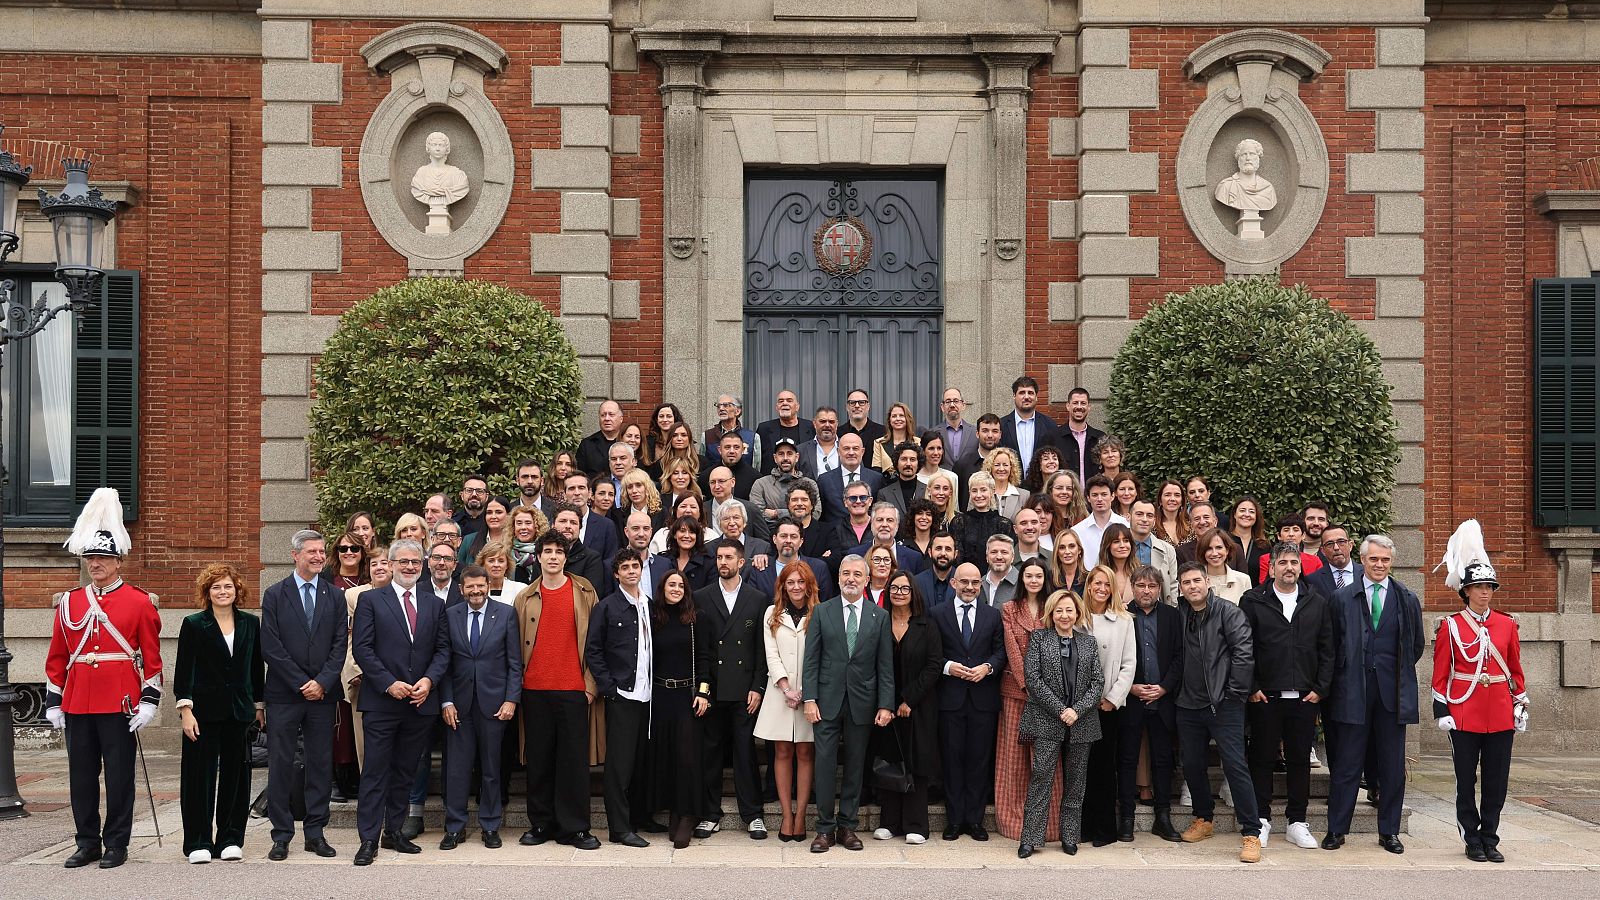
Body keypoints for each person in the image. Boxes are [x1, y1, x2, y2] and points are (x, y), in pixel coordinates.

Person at [350, 539, 451, 866]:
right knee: (376, 772)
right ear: (390, 564)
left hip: (420, 703)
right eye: (403, 562)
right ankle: (368, 838)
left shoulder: (434, 604)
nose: (410, 567)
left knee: (405, 772)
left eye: (415, 563)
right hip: (382, 702)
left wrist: (429, 681)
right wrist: (388, 683)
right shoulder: (370, 600)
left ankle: (394, 831)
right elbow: (362, 649)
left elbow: (443, 650)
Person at [1432, 520, 1528, 864]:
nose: (1485, 592)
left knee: (1496, 781)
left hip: (1500, 712)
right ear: (1466, 591)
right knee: (1464, 781)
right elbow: (1440, 673)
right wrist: (1441, 710)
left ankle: (1490, 836)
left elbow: (1515, 670)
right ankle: (1470, 837)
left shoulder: (1507, 623)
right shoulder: (1450, 626)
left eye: (1489, 587)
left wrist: (1520, 702)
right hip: (1463, 711)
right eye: (1479, 587)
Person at [1323, 534, 1424, 854]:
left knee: (1392, 766)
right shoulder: (1342, 598)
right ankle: (1337, 830)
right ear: (1362, 560)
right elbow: (1331, 646)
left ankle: (1389, 831)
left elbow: (1415, 646)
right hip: (1353, 692)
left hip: (1392, 696)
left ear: (1391, 562)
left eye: (1385, 560)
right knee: (1346, 765)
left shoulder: (1406, 598)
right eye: (1373, 559)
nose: (1379, 565)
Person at [1240, 543, 1335, 851]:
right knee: (1262, 758)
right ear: (1272, 567)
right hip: (1265, 696)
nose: (1289, 567)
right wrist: (1251, 686)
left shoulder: (1316, 602)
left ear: (1300, 566)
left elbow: (1327, 649)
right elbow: (1244, 648)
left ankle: (1297, 821)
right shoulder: (1253, 601)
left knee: (1299, 760)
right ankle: (1261, 820)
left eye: (1294, 562)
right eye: (1283, 562)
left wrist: (1320, 688)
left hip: (1304, 697)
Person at [259, 529, 347, 863]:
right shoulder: (275, 595)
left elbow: (340, 644)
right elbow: (272, 647)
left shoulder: (334, 595)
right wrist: (301, 682)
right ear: (295, 555)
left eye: (321, 551)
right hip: (285, 694)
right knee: (280, 763)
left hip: (323, 697)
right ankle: (281, 835)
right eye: (311, 551)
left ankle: (315, 833)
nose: (318, 556)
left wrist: (322, 681)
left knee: (320, 764)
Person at [514, 530, 603, 852]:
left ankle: (575, 828)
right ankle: (541, 823)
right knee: (539, 761)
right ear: (537, 557)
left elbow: (595, 643)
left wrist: (591, 686)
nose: (553, 556)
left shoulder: (584, 591)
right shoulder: (524, 597)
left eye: (558, 551)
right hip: (534, 688)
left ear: (566, 557)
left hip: (573, 689)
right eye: (547, 551)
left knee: (573, 763)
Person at [802, 555, 895, 852]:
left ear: (867, 580)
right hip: (826, 701)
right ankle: (825, 830)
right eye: (846, 573)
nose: (851, 578)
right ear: (839, 577)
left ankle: (848, 827)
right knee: (826, 765)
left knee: (855, 766)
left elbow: (885, 665)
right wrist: (810, 698)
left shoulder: (879, 616)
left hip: (863, 702)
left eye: (857, 574)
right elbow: (811, 659)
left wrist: (885, 704)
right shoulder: (822, 611)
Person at [175, 564, 264, 864]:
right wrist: (186, 710)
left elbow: (255, 669)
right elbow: (184, 671)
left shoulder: (251, 624)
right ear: (207, 592)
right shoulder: (194, 624)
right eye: (216, 587)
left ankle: (230, 838)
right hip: (202, 712)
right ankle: (198, 840)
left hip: (239, 711)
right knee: (198, 778)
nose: (223, 592)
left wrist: (259, 706)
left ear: (237, 589)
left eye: (228, 586)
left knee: (235, 778)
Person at [1173, 562, 1261, 863]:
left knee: (1235, 766)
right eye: (1186, 582)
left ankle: (1251, 832)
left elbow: (1243, 653)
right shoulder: (1180, 613)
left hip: (1223, 704)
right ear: (1180, 587)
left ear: (1207, 581)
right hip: (1187, 704)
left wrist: (1234, 696)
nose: (1192, 586)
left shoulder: (1228, 612)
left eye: (1197, 580)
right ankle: (1203, 819)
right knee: (1193, 765)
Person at [438, 566, 522, 851]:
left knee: (491, 769)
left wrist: (511, 699)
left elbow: (514, 662)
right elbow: (444, 664)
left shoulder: (506, 614)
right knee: (457, 770)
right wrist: (446, 701)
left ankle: (489, 825)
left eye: (480, 586)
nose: (475, 591)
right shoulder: (450, 615)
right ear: (461, 589)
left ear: (489, 585)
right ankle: (454, 827)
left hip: (495, 704)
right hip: (458, 706)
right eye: (470, 587)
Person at [692, 539, 771, 839]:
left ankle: (753, 814)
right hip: (712, 689)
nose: (723, 562)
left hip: (744, 691)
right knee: (710, 753)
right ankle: (710, 813)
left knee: (744, 752)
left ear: (742, 562)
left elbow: (760, 650)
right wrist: (702, 689)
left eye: (729, 557)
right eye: (719, 557)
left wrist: (758, 687)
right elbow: (700, 649)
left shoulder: (757, 598)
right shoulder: (701, 597)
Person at [1017, 590, 1103, 858]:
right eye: (1059, 611)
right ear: (1051, 614)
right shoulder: (1039, 639)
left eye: (1069, 610)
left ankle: (1069, 836)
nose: (1064, 615)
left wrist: (1076, 711)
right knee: (1041, 778)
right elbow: (1033, 679)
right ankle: (1030, 839)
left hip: (1082, 722)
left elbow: (1097, 682)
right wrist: (1060, 710)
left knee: (1076, 783)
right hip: (1046, 720)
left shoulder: (1089, 643)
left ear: (1077, 613)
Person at [585, 549, 657, 848]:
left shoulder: (650, 606)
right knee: (619, 766)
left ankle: (640, 817)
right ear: (616, 574)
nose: (631, 571)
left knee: (642, 762)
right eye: (624, 567)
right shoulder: (607, 607)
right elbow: (593, 651)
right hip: (623, 695)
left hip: (649, 696)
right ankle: (619, 827)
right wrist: (609, 688)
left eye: (635, 566)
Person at [932, 562, 1006, 841]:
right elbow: (931, 653)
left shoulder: (992, 615)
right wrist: (947, 666)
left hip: (982, 699)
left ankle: (974, 821)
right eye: (964, 582)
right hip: (950, 699)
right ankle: (954, 820)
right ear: (953, 583)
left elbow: (1001, 651)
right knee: (952, 761)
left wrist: (988, 667)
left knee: (978, 760)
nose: (970, 587)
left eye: (975, 583)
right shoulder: (937, 614)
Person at [872, 571, 944, 845]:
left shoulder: (927, 625)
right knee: (889, 760)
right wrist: (888, 704)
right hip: (885, 707)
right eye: (894, 588)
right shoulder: (879, 621)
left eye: (905, 588)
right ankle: (889, 822)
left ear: (914, 593)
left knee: (917, 762)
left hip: (919, 706)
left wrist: (908, 700)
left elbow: (934, 665)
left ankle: (916, 824)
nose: (899, 593)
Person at [756, 562, 819, 842]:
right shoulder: (772, 613)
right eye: (790, 582)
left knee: (806, 754)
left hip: (810, 696)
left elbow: (820, 655)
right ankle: (786, 815)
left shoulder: (819, 612)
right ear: (782, 585)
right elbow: (771, 654)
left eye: (800, 582)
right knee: (781, 753)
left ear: (809, 585)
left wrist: (805, 691)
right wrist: (785, 687)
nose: (796, 587)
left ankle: (802, 814)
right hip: (780, 694)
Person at [647, 569, 709, 848]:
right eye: (671, 584)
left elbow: (706, 658)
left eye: (681, 585)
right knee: (667, 756)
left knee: (687, 757)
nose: (676, 589)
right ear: (663, 588)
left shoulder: (697, 619)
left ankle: (688, 814)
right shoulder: (654, 618)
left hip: (688, 696)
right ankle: (673, 809)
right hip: (660, 695)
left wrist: (704, 693)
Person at [1120, 566, 1183, 842]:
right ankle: (1126, 817)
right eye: (1142, 585)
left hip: (1163, 699)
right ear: (1132, 587)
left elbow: (1180, 656)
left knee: (1162, 759)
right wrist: (1129, 686)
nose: (1147, 590)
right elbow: (1114, 657)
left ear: (1160, 589)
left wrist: (1165, 687)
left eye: (1152, 586)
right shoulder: (1121, 616)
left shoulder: (1172, 616)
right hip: (1130, 698)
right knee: (1127, 759)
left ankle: (1163, 816)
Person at [996, 560, 1056, 843]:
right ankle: (1013, 823)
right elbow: (1011, 649)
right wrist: (1028, 685)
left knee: (1046, 761)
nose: (1034, 580)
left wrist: (1043, 690)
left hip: (1050, 697)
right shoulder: (1010, 608)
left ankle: (1049, 824)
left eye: (1039, 575)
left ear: (1046, 579)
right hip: (1015, 693)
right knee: (1015, 760)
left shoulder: (1054, 606)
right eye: (1029, 575)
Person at [1079, 564, 1138, 847]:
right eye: (1096, 583)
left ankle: (1104, 830)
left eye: (1107, 584)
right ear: (1089, 585)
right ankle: (1081, 828)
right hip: (1077, 708)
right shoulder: (1076, 617)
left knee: (1103, 768)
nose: (1101, 588)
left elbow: (1129, 664)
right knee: (1079, 768)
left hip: (1106, 706)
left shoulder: (1125, 620)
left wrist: (1113, 698)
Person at [999, 376, 1061, 479]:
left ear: (1036, 397)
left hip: (1041, 487)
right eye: (1022, 393)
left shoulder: (1049, 425)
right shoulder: (1002, 425)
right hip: (1011, 485)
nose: (1026, 397)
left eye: (1030, 393)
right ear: (1014, 396)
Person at [749, 437, 819, 528]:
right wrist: (799, 513)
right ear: (775, 458)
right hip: (769, 536)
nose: (785, 458)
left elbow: (816, 513)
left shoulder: (810, 484)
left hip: (804, 534)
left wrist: (776, 513)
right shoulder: (761, 484)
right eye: (781, 454)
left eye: (789, 454)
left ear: (797, 457)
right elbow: (757, 515)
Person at [950, 472, 1014, 567]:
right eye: (974, 491)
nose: (979, 495)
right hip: (966, 577)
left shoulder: (1004, 524)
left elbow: (1007, 557)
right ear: (969, 493)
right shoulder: (959, 521)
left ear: (992, 492)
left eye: (983, 490)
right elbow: (956, 556)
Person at [817, 432, 883, 524]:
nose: (851, 453)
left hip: (866, 535)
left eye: (855, 448)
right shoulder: (824, 480)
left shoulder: (876, 479)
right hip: (834, 535)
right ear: (838, 452)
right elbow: (822, 515)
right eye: (846, 448)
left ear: (862, 452)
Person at [1072, 475, 1129, 572]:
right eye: (1095, 495)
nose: (1099, 499)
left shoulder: (1126, 526)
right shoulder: (1077, 531)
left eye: (1104, 494)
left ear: (1112, 496)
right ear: (1088, 498)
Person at [1128, 499, 1179, 605]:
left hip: (1157, 612)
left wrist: (1173, 613)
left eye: (1149, 515)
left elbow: (1173, 585)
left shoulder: (1167, 550)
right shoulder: (1115, 546)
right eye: (1139, 514)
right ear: (1129, 517)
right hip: (1123, 612)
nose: (1144, 519)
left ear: (1154, 521)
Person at [756, 390, 816, 464]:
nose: (784, 403)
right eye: (781, 401)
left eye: (789, 400)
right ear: (777, 407)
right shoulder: (764, 429)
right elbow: (757, 459)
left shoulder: (811, 427)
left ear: (797, 407)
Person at [1059, 387, 1104, 486]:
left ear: (1089, 407)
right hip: (1065, 498)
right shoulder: (1054, 437)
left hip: (1094, 498)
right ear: (1068, 406)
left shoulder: (1100, 438)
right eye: (1075, 403)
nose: (1079, 407)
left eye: (1083, 403)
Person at [1196, 527, 1250, 604]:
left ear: (1227, 550)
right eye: (1209, 549)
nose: (1214, 553)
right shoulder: (1194, 581)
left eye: (1219, 547)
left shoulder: (1243, 580)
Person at [704, 394, 759, 468]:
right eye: (718, 406)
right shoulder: (707, 436)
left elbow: (756, 468)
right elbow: (703, 466)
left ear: (737, 411)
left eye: (726, 405)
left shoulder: (752, 437)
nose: (721, 408)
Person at [577, 399, 627, 476]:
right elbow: (579, 475)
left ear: (621, 419)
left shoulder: (628, 442)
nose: (607, 418)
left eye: (611, 414)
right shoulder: (587, 445)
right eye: (603, 415)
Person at [877, 441, 928, 516]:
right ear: (896, 463)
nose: (908, 464)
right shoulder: (884, 494)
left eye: (912, 459)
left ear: (918, 463)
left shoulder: (928, 491)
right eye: (903, 459)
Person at [1228, 496, 1270, 585]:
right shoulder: (1224, 541)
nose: (1247, 514)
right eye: (1242, 510)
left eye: (1251, 512)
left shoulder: (1264, 546)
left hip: (1256, 596)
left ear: (1256, 517)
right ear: (1234, 514)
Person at [937, 387, 980, 473]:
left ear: (963, 405)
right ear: (942, 407)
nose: (952, 405)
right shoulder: (934, 433)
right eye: (948, 401)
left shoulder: (975, 433)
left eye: (956, 401)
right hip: (943, 483)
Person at [913, 531, 960, 609]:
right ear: (930, 552)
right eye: (938, 548)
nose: (943, 553)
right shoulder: (916, 582)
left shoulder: (963, 583)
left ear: (955, 554)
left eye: (948, 549)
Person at [870, 402, 921, 473]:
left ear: (908, 418)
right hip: (886, 483)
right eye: (894, 416)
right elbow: (876, 470)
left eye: (901, 415)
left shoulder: (918, 442)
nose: (898, 419)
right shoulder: (879, 443)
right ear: (889, 420)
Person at [611, 468, 661, 536]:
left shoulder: (661, 513)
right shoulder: (617, 515)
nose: (634, 491)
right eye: (630, 487)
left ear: (647, 487)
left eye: (638, 485)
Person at [983, 447, 1029, 520]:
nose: (1001, 469)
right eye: (997, 465)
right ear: (990, 468)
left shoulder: (1025, 496)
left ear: (1012, 468)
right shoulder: (980, 494)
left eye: (1005, 465)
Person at [796, 405, 842, 479]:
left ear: (837, 424)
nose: (827, 425)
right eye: (822, 421)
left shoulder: (848, 448)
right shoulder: (801, 450)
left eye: (831, 422)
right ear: (814, 423)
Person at [641, 403, 684, 479]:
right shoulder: (647, 442)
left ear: (675, 419)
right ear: (656, 420)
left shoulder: (682, 441)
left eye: (669, 416)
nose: (665, 420)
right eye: (661, 416)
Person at [512, 458, 559, 522]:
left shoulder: (555, 510)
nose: (530, 481)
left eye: (534, 477)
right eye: (525, 477)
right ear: (517, 481)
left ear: (542, 481)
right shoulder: (509, 510)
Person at [980, 534, 1019, 608]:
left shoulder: (1022, 583)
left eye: (1004, 552)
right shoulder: (979, 584)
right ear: (987, 557)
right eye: (994, 552)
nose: (999, 557)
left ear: (1013, 557)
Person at [1153, 479, 1189, 546]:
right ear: (1160, 500)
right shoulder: (1152, 526)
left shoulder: (1191, 526)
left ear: (1182, 501)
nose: (1172, 499)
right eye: (1167, 495)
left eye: (1177, 495)